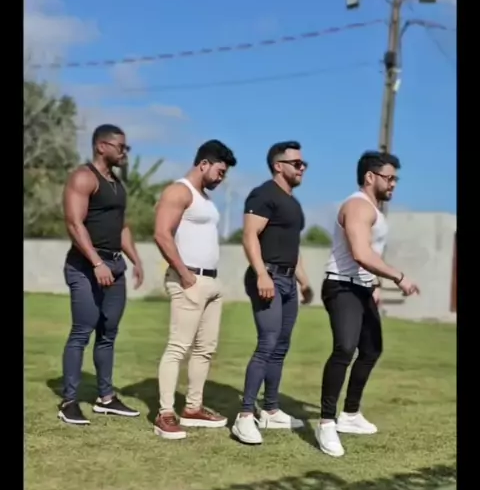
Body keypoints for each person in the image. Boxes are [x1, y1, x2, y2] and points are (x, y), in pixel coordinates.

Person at [316, 150, 420, 458]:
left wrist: (373, 284)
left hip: (361, 287)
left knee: (372, 349)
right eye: (389, 178)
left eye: (396, 179)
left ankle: (350, 415)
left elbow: (369, 256)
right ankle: (326, 423)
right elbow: (361, 253)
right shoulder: (358, 206)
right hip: (341, 286)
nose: (394, 184)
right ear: (370, 177)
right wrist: (398, 276)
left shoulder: (374, 210)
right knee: (345, 349)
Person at [58, 124, 144, 426]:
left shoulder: (117, 184)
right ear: (101, 146)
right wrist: (96, 262)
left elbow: (121, 227)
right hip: (85, 267)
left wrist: (136, 260)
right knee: (82, 332)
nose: (125, 152)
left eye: (126, 147)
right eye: (121, 146)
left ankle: (106, 399)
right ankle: (69, 401)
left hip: (115, 267)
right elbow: (74, 223)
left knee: (108, 334)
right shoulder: (83, 177)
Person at [153, 139, 237, 439]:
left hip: (211, 282)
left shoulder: (205, 198)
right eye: (220, 171)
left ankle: (193, 408)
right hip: (189, 279)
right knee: (178, 347)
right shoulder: (179, 191)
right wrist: (185, 274)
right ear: (203, 164)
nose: (221, 177)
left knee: (205, 349)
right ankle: (164, 414)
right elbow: (162, 234)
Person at [232, 141, 313, 445]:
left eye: (303, 164)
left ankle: (270, 410)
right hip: (267, 278)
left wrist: (303, 281)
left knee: (280, 346)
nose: (302, 168)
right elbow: (249, 236)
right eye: (297, 163)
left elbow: (293, 247)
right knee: (267, 343)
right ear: (279, 166)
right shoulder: (263, 195)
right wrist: (262, 274)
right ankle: (244, 417)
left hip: (288, 281)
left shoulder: (293, 203)